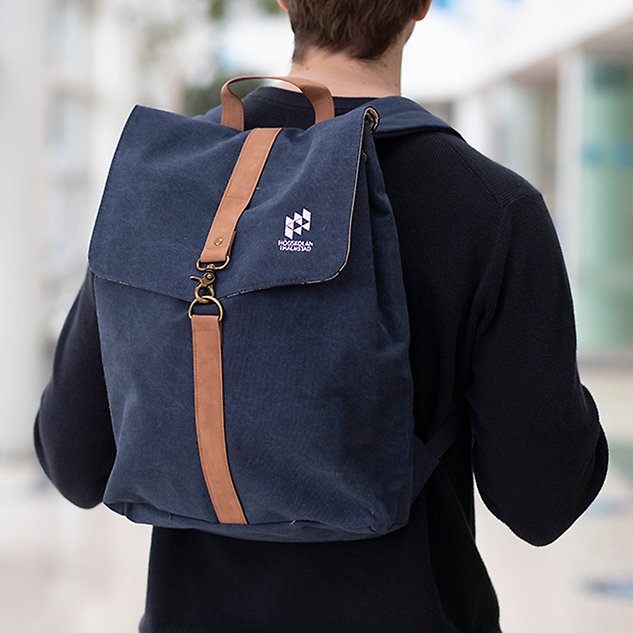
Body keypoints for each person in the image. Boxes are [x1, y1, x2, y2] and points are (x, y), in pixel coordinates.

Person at [34, 1, 609, 631]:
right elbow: (543, 501)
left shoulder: (165, 184)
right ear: (420, 6)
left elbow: (73, 459)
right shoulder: (492, 206)